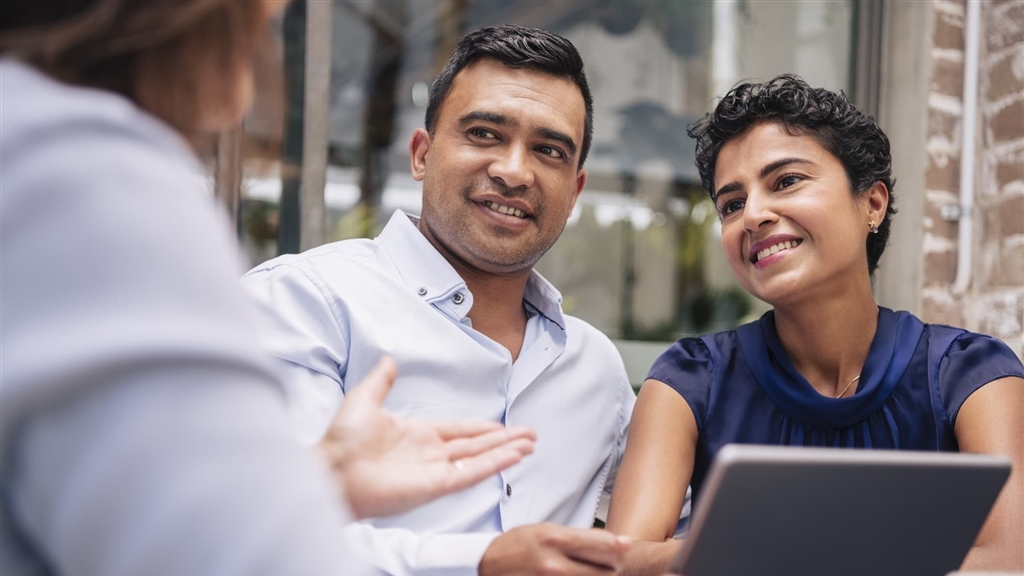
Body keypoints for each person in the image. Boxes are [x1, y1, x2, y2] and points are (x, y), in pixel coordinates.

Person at [1, 1, 537, 574]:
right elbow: (223, 554)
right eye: (266, 19)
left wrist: (313, 482)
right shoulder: (91, 180)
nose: (263, 61)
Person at [241, 24, 636, 576]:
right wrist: (483, 562)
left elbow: (675, 531)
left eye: (548, 150)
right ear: (422, 155)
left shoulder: (595, 369)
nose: (514, 171)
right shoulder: (306, 303)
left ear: (574, 192)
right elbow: (254, 535)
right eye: (483, 134)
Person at [604, 74, 1024, 574]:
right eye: (732, 204)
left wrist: (753, 554)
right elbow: (621, 564)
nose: (754, 215)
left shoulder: (971, 373)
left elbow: (1007, 560)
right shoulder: (690, 379)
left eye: (786, 181)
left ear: (872, 204)